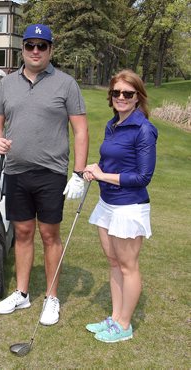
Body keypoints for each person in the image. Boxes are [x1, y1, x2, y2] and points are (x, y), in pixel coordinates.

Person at [0, 24, 89, 325]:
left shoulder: (66, 83)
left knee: (49, 234)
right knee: (22, 233)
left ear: (50, 50)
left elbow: (80, 130)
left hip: (51, 172)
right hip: (16, 170)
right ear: (22, 49)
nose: (35, 51)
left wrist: (79, 174)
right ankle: (22, 293)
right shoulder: (7, 84)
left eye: (41, 46)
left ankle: (52, 297)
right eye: (30, 45)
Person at [83, 70, 157, 343]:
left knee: (128, 266)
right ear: (111, 96)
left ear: (138, 97)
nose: (122, 98)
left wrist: (103, 176)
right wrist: (96, 169)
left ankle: (124, 325)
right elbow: (112, 163)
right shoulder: (112, 125)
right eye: (117, 93)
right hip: (107, 203)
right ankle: (115, 318)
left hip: (129, 207)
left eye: (128, 93)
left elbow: (142, 177)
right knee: (113, 261)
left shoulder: (144, 130)